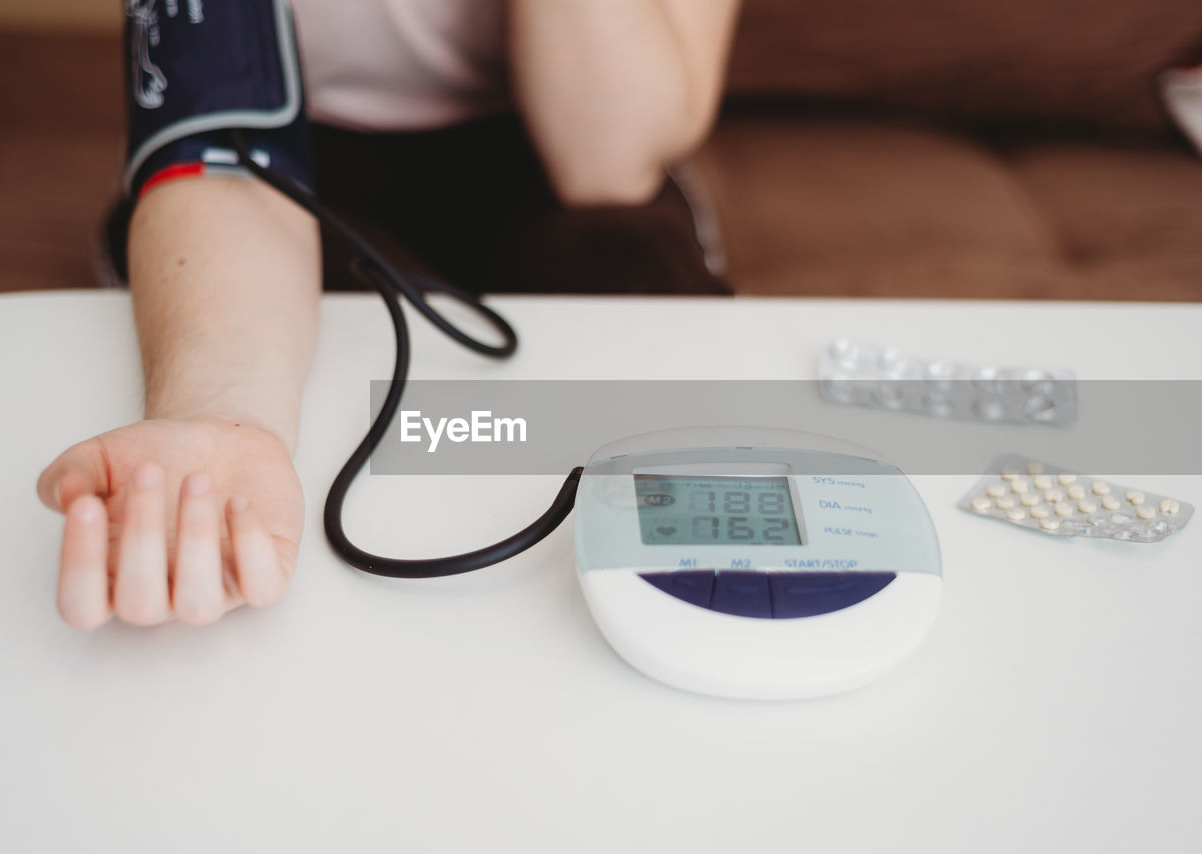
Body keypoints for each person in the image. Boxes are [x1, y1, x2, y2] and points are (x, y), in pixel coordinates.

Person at [36, 0, 742, 629]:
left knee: (649, 348)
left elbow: (609, 166)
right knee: (356, 407)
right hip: (292, 148)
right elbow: (216, 140)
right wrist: (218, 415)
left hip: (564, 133)